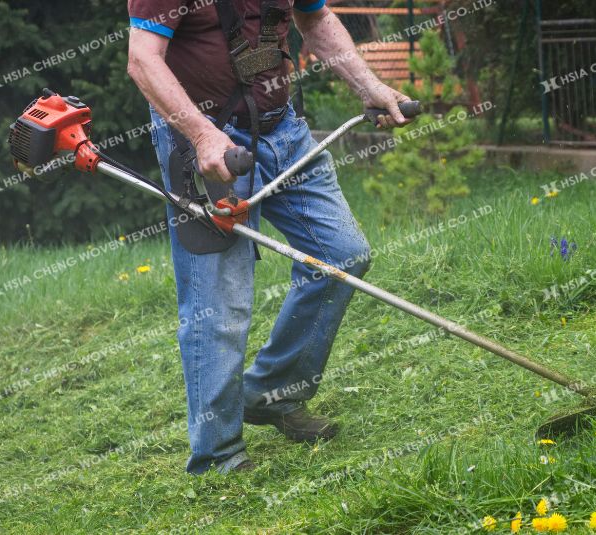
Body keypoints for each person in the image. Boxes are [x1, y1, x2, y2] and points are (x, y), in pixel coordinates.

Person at [126, 0, 412, 474]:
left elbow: (314, 18)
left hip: (283, 130)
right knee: (220, 302)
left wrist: (371, 87)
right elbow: (143, 59)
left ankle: (271, 392)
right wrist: (201, 137)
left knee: (341, 256)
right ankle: (218, 455)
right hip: (206, 142)